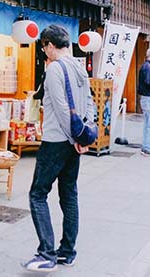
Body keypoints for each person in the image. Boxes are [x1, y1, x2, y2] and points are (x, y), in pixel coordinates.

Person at [24, 25, 95, 272]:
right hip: (73, 143)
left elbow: (62, 108)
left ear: (50, 45)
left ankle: (46, 253)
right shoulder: (79, 66)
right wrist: (83, 136)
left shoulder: (55, 68)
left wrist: (74, 136)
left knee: (37, 194)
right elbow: (89, 103)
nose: (45, 53)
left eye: (45, 48)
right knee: (69, 194)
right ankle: (67, 252)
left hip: (56, 140)